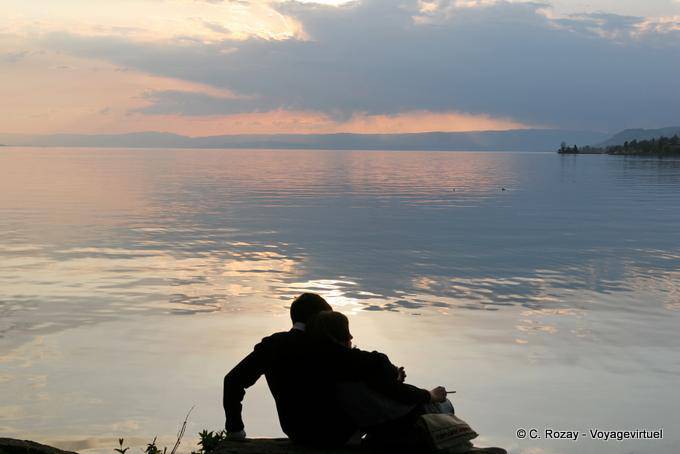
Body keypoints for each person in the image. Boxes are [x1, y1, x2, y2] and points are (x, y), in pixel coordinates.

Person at [223, 293, 356, 446]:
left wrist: (235, 429)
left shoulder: (272, 345)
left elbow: (232, 380)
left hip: (297, 432)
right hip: (340, 432)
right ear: (319, 318)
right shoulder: (327, 344)